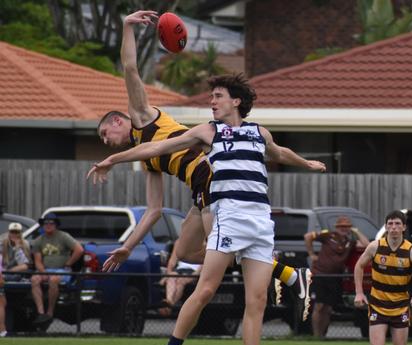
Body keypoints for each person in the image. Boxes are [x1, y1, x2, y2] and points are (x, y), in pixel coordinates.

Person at [88, 59, 325, 345]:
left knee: (258, 301)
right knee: (205, 291)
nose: (211, 102)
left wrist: (306, 164)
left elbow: (279, 153)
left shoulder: (259, 133)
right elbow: (155, 150)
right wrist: (114, 159)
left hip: (261, 223)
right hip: (229, 218)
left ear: (236, 101)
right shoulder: (207, 132)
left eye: (218, 96)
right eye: (211, 97)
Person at [92, 10, 312, 323]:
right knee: (184, 251)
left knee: (221, 248)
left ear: (118, 121)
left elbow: (130, 68)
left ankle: (288, 276)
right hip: (199, 190)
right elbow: (154, 210)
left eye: (105, 133)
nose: (106, 140)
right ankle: (274, 272)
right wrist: (127, 247)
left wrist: (127, 26)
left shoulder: (141, 116)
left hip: (211, 179)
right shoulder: (146, 157)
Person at [353, 210, 412, 345]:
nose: (393, 227)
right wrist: (359, 293)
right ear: (386, 227)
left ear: (404, 227)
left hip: (400, 307)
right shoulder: (375, 247)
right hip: (378, 305)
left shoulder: (411, 251)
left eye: (397, 224)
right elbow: (359, 266)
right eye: (390, 224)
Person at [304, 215, 369, 337]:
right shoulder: (328, 235)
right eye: (341, 227)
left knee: (328, 309)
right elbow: (307, 237)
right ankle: (316, 335)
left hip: (335, 277)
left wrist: (356, 231)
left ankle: (323, 335)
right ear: (337, 227)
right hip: (320, 275)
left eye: (347, 227)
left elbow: (366, 245)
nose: (344, 229)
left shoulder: (350, 242)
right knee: (319, 306)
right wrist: (311, 254)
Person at [30, 213, 84, 328]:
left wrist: (69, 263)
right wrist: (43, 272)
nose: (48, 225)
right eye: (46, 223)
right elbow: (38, 261)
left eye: (51, 223)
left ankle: (50, 312)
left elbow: (79, 250)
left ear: (56, 225)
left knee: (54, 279)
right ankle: (41, 313)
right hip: (46, 270)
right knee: (34, 279)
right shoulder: (38, 240)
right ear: (42, 225)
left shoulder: (63, 236)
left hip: (61, 270)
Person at [159, 240, 201, 317]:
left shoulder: (203, 242)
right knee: (172, 277)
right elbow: (172, 261)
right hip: (180, 269)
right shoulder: (179, 242)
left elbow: (205, 263)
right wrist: (168, 275)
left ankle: (168, 304)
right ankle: (169, 302)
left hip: (193, 271)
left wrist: (196, 274)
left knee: (180, 281)